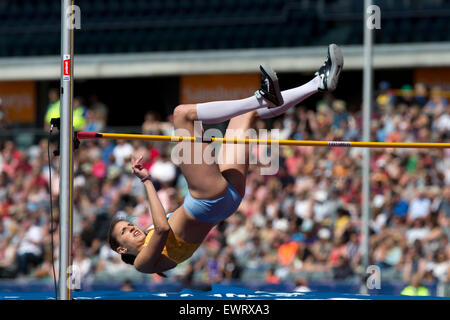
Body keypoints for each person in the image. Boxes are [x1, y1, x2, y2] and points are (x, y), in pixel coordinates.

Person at [108, 44, 344, 275]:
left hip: (225, 200)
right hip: (207, 201)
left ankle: (318, 83)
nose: (132, 228)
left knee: (245, 115)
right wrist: (147, 180)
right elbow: (161, 228)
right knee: (182, 114)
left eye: (129, 225)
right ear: (121, 248)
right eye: (126, 232)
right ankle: (262, 97)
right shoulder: (142, 263)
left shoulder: (147, 239)